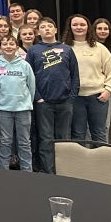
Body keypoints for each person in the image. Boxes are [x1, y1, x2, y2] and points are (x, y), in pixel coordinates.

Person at [27, 16, 79, 173]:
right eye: (43, 27)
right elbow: (29, 77)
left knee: (63, 138)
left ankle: (62, 171)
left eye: (50, 26)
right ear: (38, 32)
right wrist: (38, 98)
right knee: (46, 139)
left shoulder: (67, 50)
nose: (47, 29)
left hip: (65, 102)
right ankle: (48, 172)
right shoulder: (33, 50)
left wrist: (71, 97)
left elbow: (75, 76)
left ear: (55, 30)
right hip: (44, 103)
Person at [64, 14, 111, 142]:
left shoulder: (99, 48)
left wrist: (108, 90)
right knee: (78, 134)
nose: (79, 27)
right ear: (70, 27)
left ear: (88, 27)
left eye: (82, 25)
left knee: (99, 133)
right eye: (75, 25)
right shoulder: (64, 48)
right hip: (75, 98)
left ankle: (100, 162)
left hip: (98, 97)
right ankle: (81, 162)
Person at [0, 35, 35, 171]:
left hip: (23, 109)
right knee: (5, 140)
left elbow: (31, 87)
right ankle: (4, 170)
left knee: (24, 142)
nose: (8, 47)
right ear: (0, 47)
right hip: (4, 109)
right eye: (5, 44)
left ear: (17, 47)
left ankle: (26, 171)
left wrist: (26, 101)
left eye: (11, 44)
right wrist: (0, 100)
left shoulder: (25, 65)